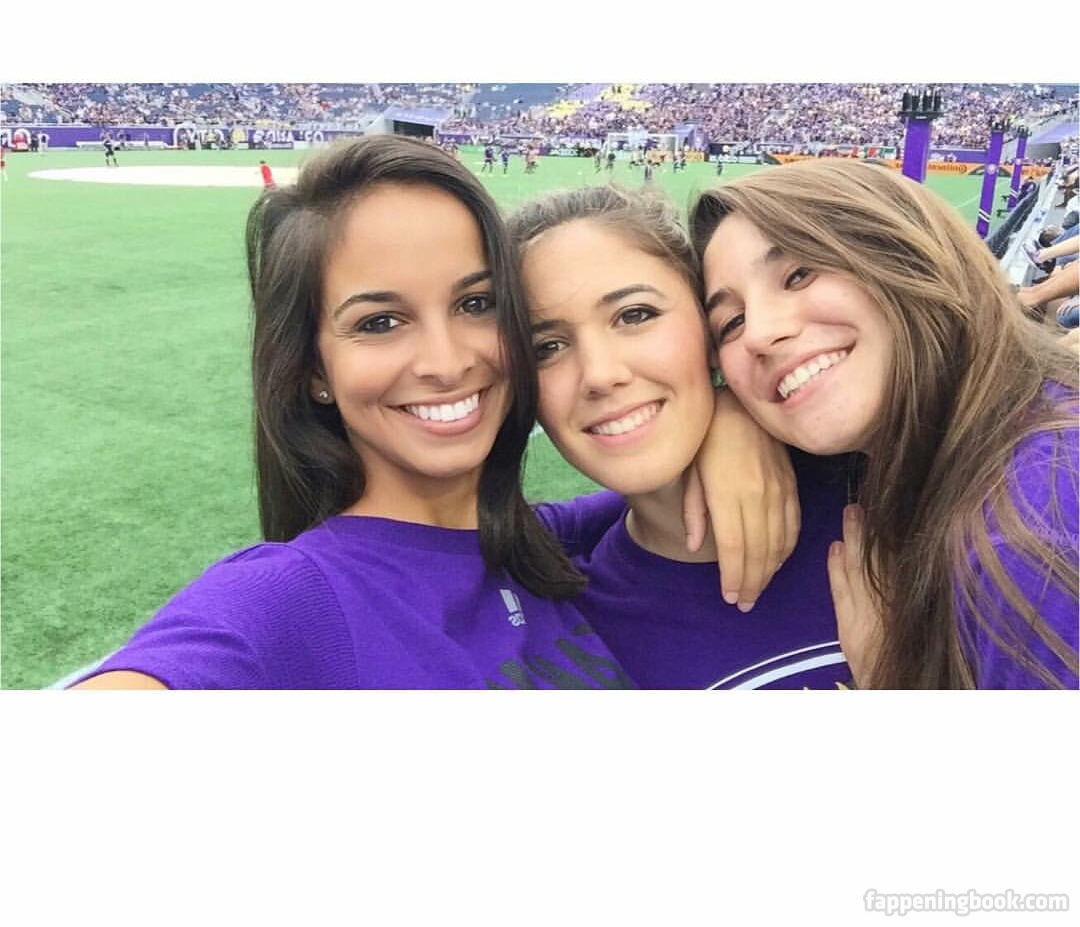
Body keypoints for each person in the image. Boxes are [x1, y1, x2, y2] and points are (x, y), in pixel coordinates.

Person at [71, 135, 633, 689]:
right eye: (379, 322)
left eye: (475, 303)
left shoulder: (549, 543)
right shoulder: (289, 600)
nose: (446, 363)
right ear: (315, 371)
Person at [690, 158, 1079, 689]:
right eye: (730, 323)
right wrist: (725, 417)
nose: (758, 333)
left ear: (907, 253)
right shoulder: (998, 436)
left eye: (799, 274)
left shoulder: (1037, 522)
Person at [510, 186, 850, 689]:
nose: (600, 374)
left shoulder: (875, 486)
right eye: (548, 347)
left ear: (710, 330)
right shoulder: (568, 632)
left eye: (635, 315)